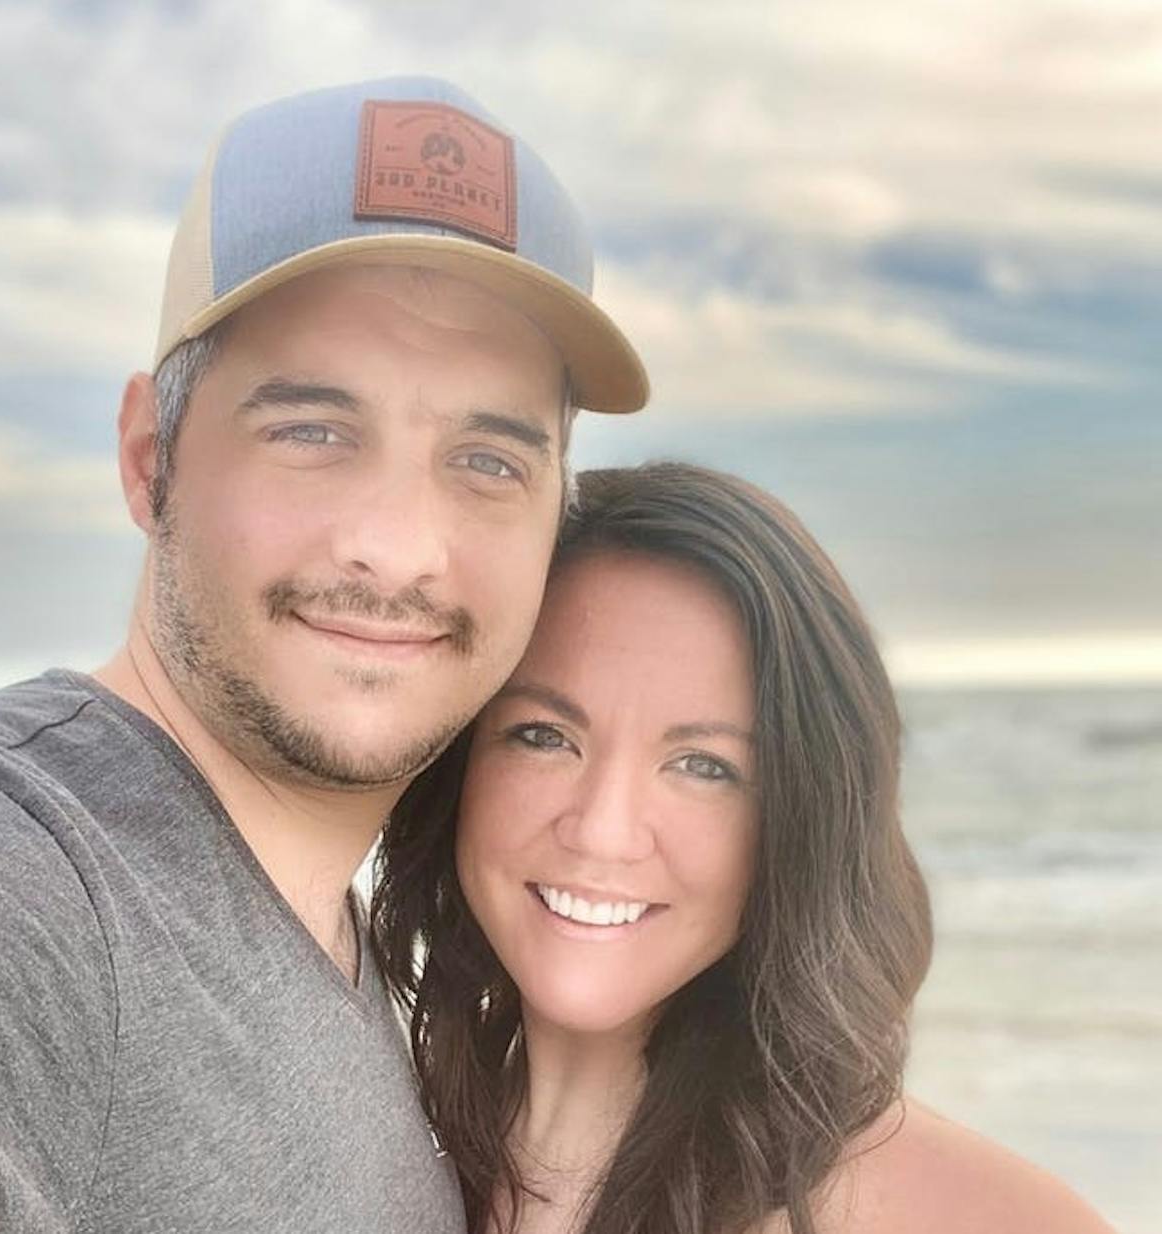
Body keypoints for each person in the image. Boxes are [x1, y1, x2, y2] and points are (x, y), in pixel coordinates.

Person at [0, 79, 647, 1232]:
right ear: (149, 458)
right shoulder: (23, 883)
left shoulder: (359, 949)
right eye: (314, 431)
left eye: (487, 460)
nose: (397, 547)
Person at [371, 462, 1116, 1234]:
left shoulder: (975, 1217)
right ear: (458, 765)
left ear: (800, 818)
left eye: (704, 766)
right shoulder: (367, 1155)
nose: (602, 828)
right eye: (544, 736)